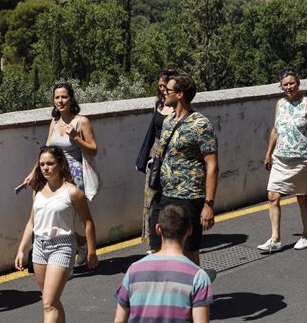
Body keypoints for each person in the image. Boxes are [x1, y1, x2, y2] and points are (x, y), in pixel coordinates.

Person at [15, 145, 99, 322]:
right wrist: (22, 249)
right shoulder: (37, 189)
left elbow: (88, 222)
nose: (45, 167)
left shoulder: (73, 192)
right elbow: (32, 221)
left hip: (62, 247)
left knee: (48, 303)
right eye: (42, 164)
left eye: (50, 163)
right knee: (51, 301)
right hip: (39, 247)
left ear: (60, 164)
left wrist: (92, 252)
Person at [23, 82, 98, 265]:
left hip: (73, 173)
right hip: (53, 170)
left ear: (71, 98)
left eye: (64, 96)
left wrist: (75, 137)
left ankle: (65, 263)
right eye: (57, 97)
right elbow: (47, 150)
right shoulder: (54, 122)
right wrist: (33, 172)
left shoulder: (81, 121)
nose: (60, 100)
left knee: (64, 220)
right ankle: (80, 244)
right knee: (44, 214)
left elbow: (93, 149)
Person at [149, 75, 219, 270]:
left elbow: (212, 165)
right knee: (156, 246)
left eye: (168, 90)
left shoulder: (201, 124)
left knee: (188, 253)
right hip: (164, 194)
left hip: (189, 197)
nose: (164, 92)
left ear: (179, 94)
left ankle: (196, 293)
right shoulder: (168, 121)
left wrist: (208, 204)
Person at [258, 68, 307, 253]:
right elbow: (276, 129)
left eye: (292, 83)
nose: (289, 87)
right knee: (273, 195)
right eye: (285, 84)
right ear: (281, 86)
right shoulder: (280, 104)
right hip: (281, 157)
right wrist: (269, 153)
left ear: (298, 83)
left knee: (302, 198)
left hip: (302, 159)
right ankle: (275, 239)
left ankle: (306, 235)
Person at [114, 204, 213, 323]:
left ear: (158, 229)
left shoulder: (133, 270)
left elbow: (119, 320)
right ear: (190, 230)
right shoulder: (199, 277)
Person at [135, 68, 178, 253]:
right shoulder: (158, 103)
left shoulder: (178, 105)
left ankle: (168, 239)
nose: (162, 89)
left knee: (168, 199)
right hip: (156, 155)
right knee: (151, 199)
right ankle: (154, 241)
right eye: (160, 86)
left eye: (165, 86)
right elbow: (152, 130)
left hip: (171, 155)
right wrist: (144, 158)